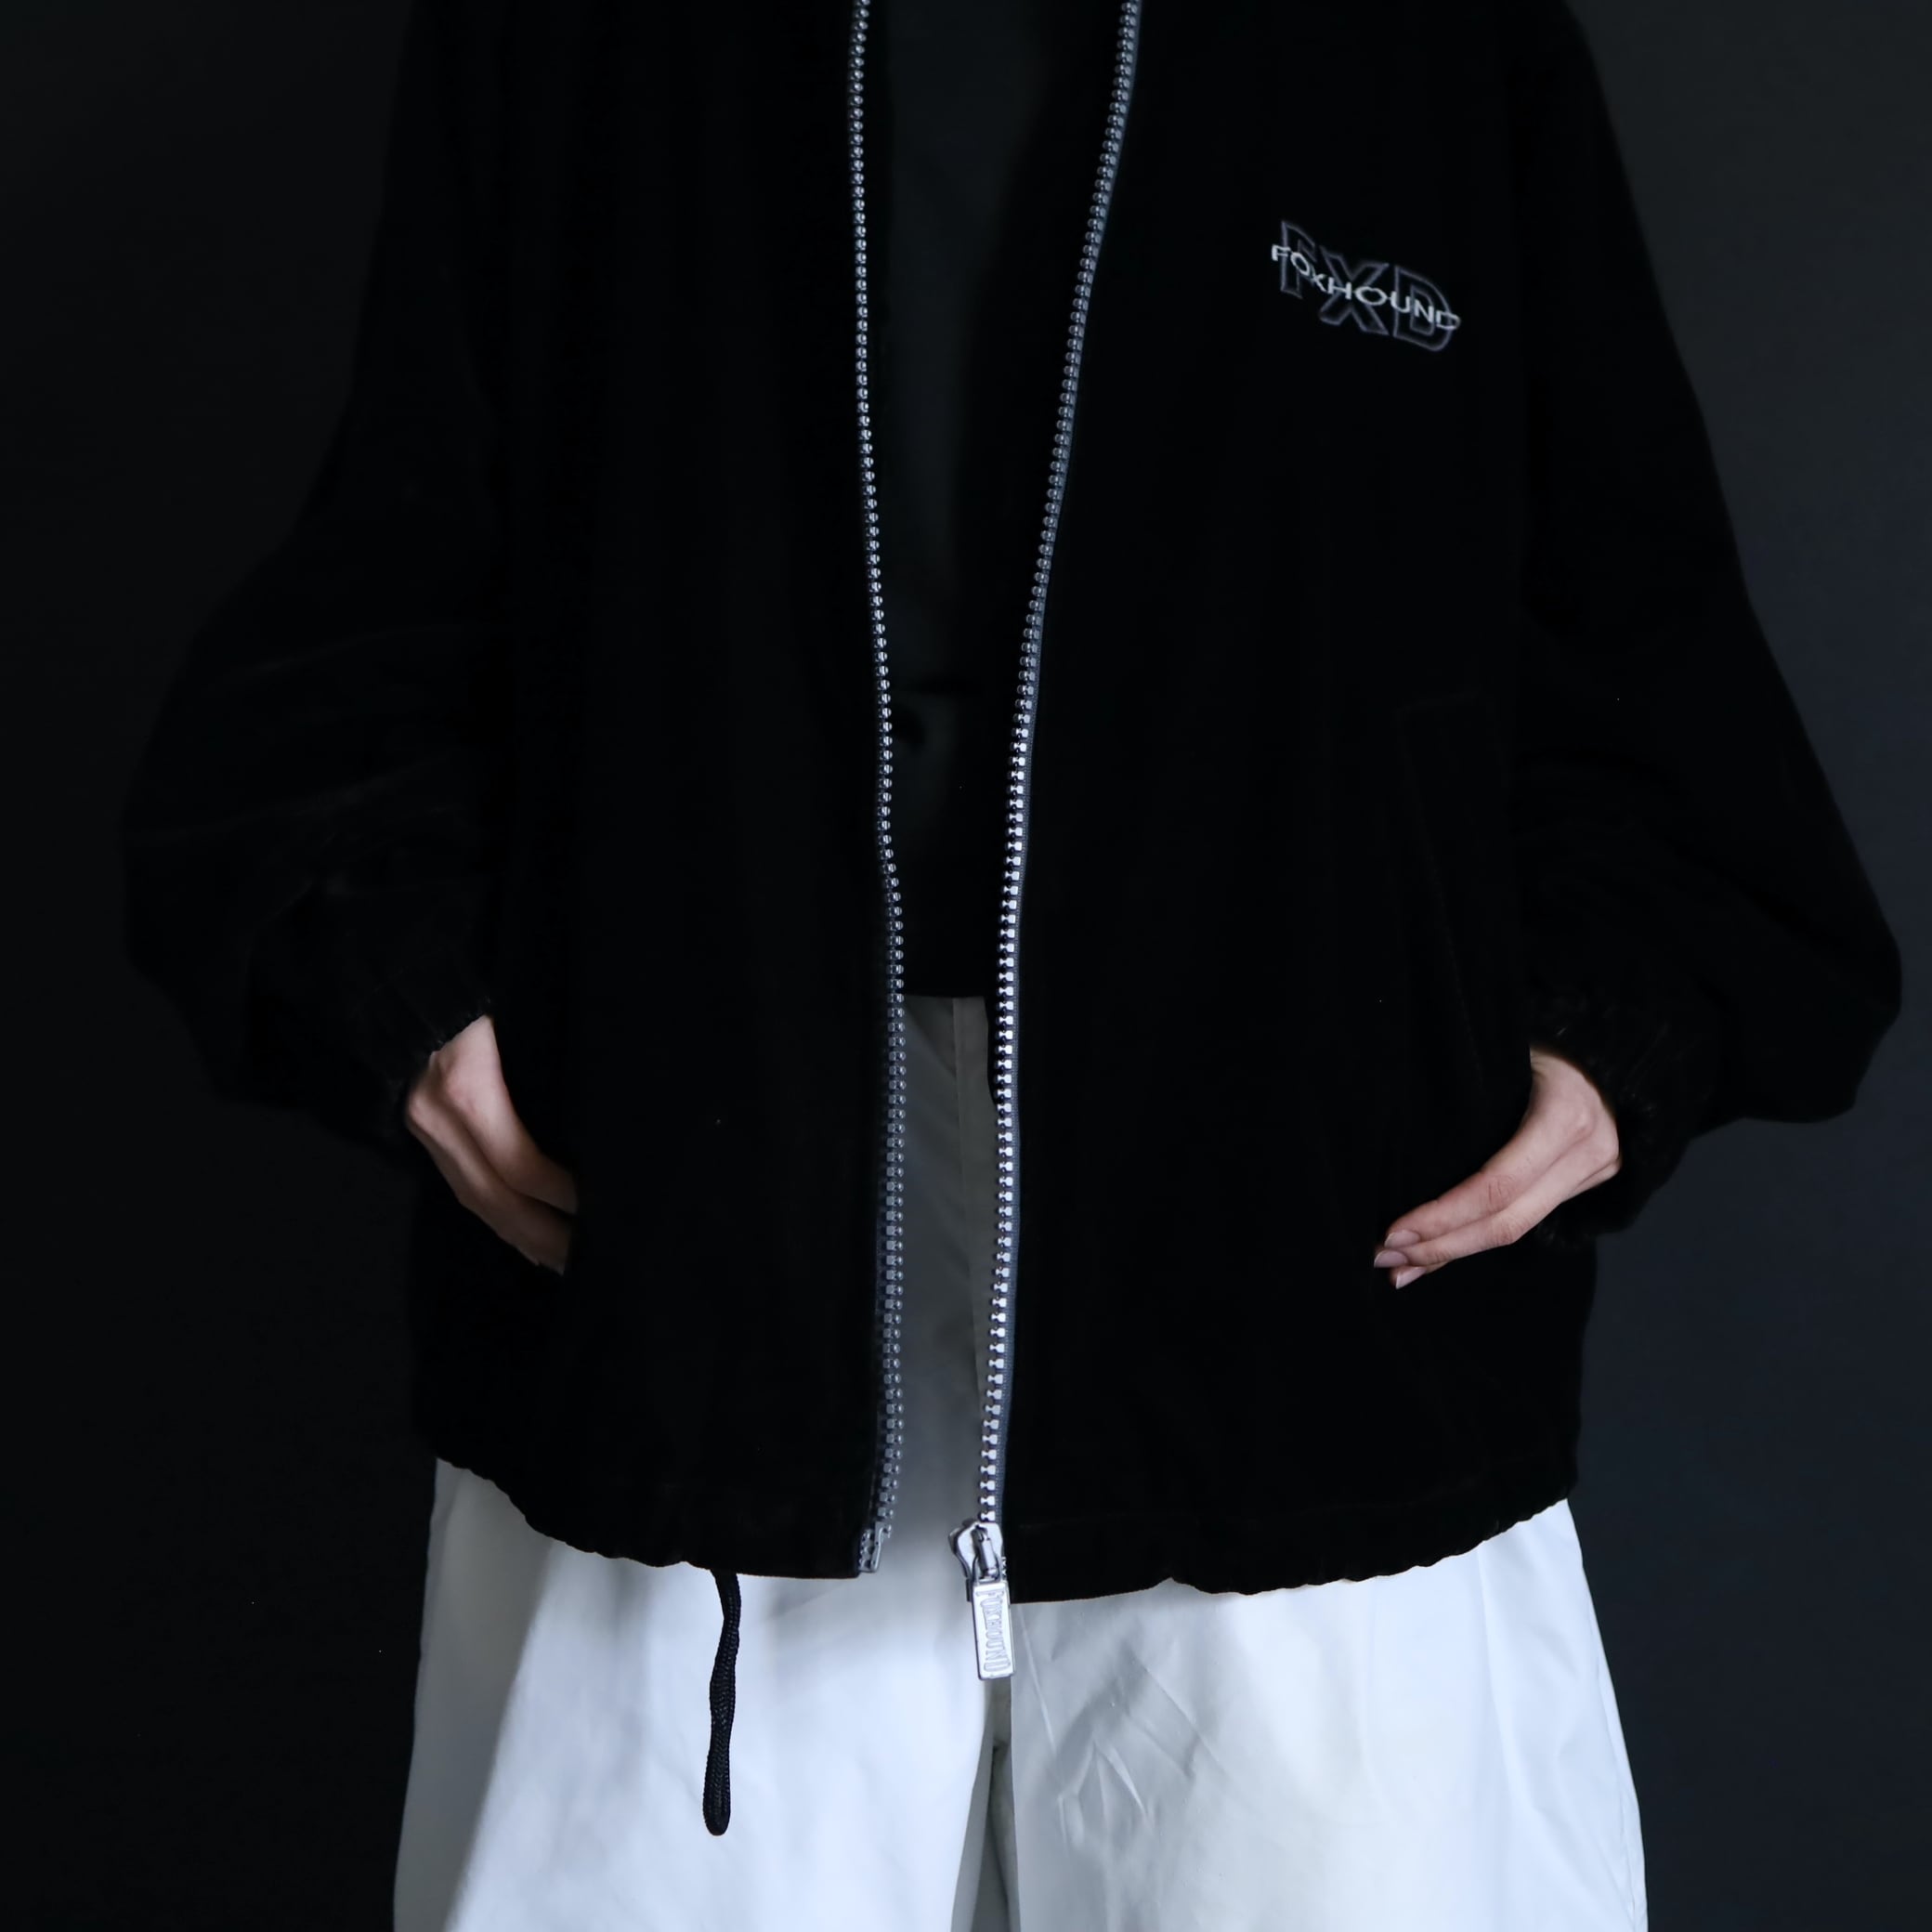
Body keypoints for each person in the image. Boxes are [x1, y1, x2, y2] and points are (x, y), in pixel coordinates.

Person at [118, 1, 1902, 1927]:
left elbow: (1630, 620)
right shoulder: (577, 40)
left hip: (1302, 1263)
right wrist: (399, 995)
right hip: (686, 1232)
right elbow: (386, 584)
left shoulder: (1432, 41)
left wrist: (1624, 1023)